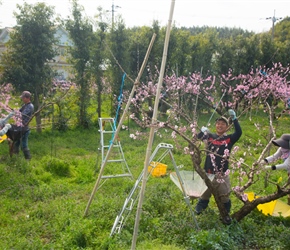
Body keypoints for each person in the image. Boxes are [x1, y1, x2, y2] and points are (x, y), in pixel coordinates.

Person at [195, 109, 242, 224]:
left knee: (224, 196)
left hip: (222, 173)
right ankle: (198, 213)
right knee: (204, 195)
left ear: (227, 127)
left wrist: (234, 119)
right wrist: (202, 131)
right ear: (215, 125)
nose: (220, 125)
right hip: (208, 172)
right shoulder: (210, 137)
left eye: (223, 124)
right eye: (218, 123)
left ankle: (225, 215)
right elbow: (196, 138)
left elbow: (239, 133)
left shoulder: (229, 139)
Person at [263, 134, 290, 204]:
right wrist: (264, 161)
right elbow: (274, 156)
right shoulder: (282, 149)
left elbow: (285, 165)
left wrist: (270, 167)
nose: (282, 147)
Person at [13, 91, 34, 160]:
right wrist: (13, 111)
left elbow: (22, 115)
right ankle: (15, 158)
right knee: (16, 142)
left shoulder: (30, 106)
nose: (22, 99)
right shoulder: (24, 105)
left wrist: (17, 114)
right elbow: (19, 111)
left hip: (25, 128)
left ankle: (28, 159)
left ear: (27, 98)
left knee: (24, 144)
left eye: (23, 98)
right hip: (20, 127)